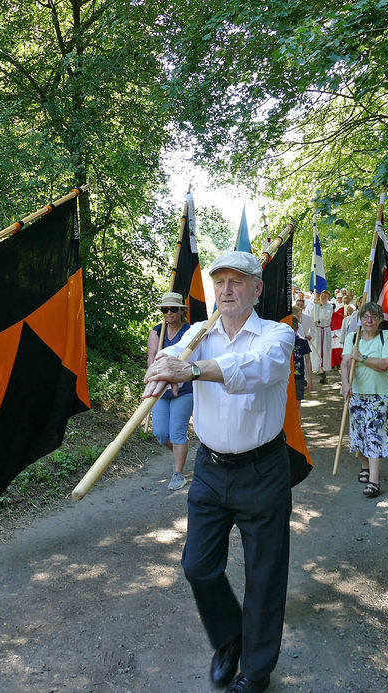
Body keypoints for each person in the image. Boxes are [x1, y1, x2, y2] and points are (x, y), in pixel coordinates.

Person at [143, 250, 294, 693]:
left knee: (265, 576)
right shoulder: (196, 334)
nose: (226, 291)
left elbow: (256, 370)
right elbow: (168, 359)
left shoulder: (276, 335)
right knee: (197, 566)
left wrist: (190, 370)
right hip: (210, 468)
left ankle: (255, 671)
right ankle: (230, 639)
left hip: (263, 469)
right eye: (220, 283)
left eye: (237, 282)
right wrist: (163, 369)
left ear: (256, 289)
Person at [340, 301, 388, 498]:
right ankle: (364, 467)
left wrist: (362, 358)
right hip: (356, 392)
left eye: (373, 317)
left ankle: (374, 481)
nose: (369, 320)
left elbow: (386, 364)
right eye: (365, 317)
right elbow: (346, 362)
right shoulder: (352, 337)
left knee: (374, 434)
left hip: (379, 394)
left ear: (379, 320)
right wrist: (345, 384)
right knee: (359, 432)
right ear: (360, 319)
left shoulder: (386, 337)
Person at [146, 292, 194, 490]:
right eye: (165, 309)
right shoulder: (157, 331)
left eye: (173, 309)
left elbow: (191, 359)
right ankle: (180, 449)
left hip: (184, 389)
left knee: (177, 432)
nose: (168, 313)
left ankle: (178, 473)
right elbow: (151, 356)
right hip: (160, 388)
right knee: (161, 434)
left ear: (182, 311)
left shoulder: (189, 331)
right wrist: (151, 378)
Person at [310, 291, 334, 382]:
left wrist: (320, 307)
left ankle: (323, 370)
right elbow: (312, 316)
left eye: (326, 296)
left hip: (325, 330)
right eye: (322, 296)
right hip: (317, 330)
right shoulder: (315, 305)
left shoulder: (329, 306)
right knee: (317, 349)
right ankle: (318, 368)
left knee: (325, 350)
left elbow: (326, 316)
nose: (324, 298)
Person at [291, 316, 313, 413]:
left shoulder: (302, 342)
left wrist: (310, 380)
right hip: (285, 378)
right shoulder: (282, 342)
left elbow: (308, 361)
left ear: (297, 329)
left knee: (297, 404)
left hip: (298, 377)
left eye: (293, 329)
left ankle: (298, 426)